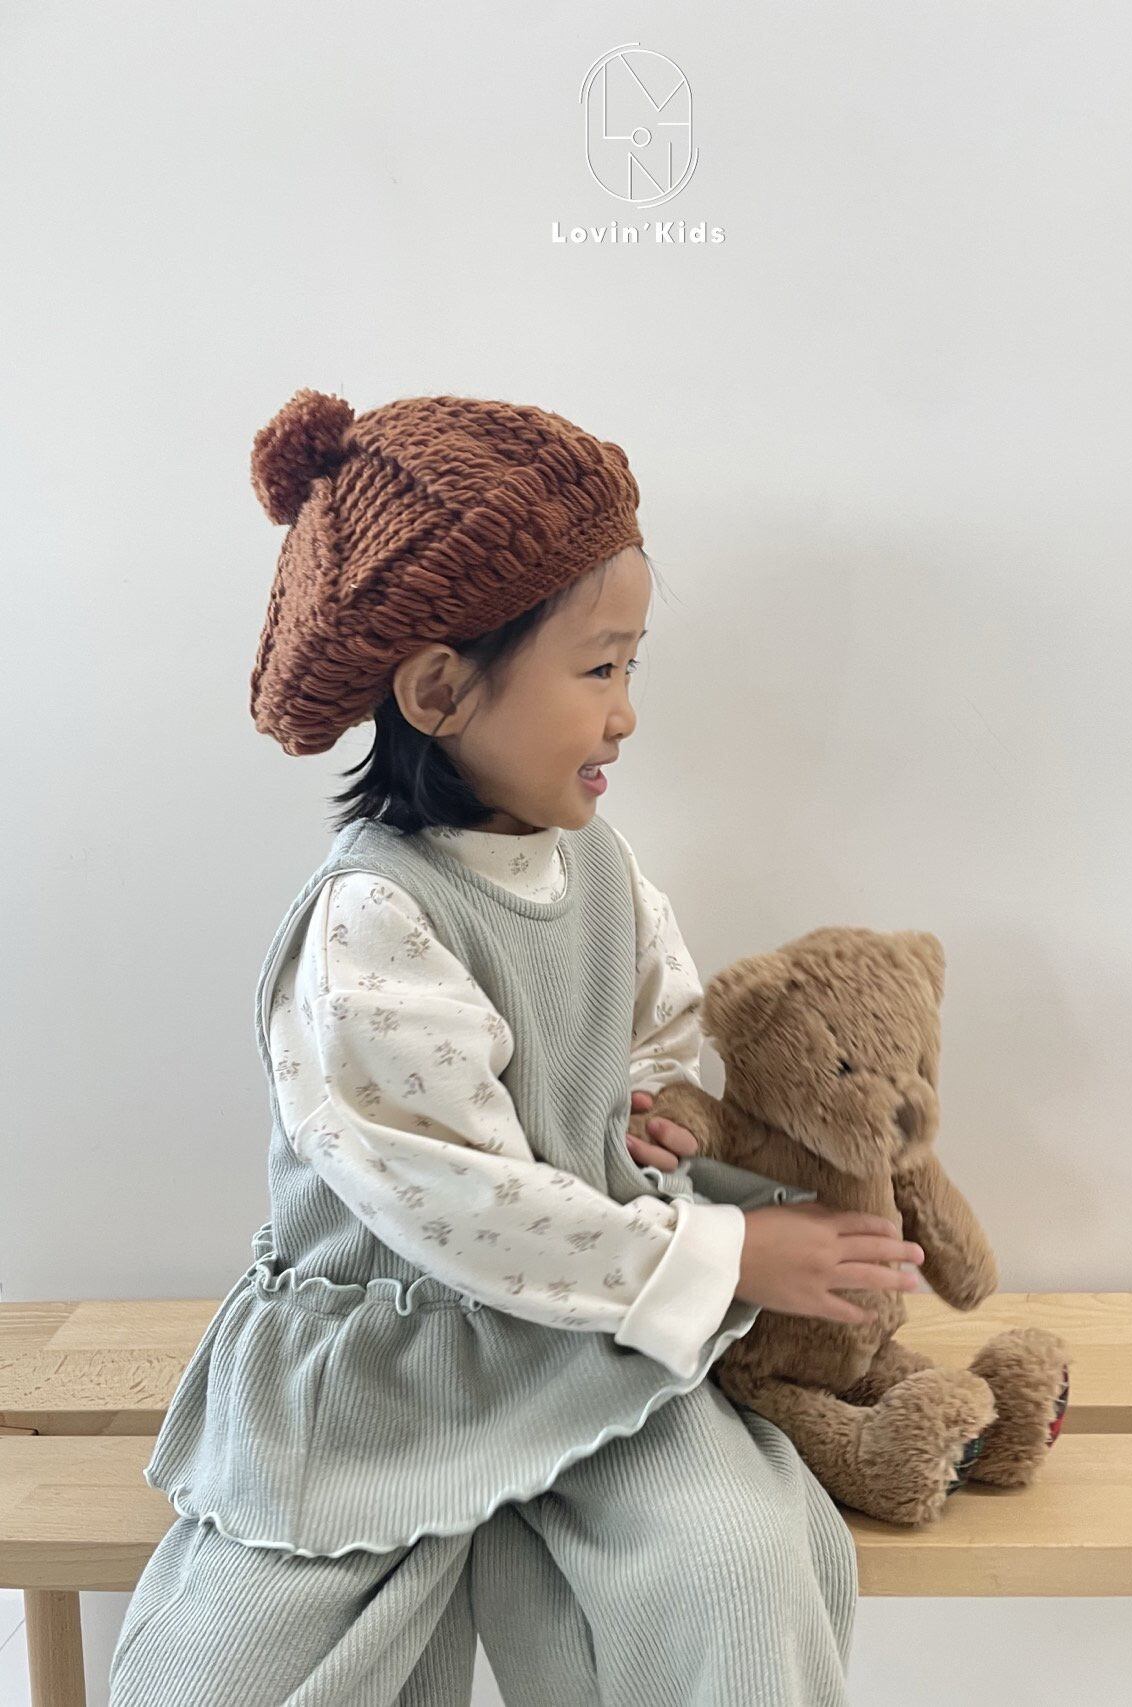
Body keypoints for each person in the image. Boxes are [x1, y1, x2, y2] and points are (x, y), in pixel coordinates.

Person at [108, 388, 926, 1706]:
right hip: (390, 1379)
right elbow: (467, 1206)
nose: (627, 713)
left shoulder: (596, 869)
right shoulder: (372, 922)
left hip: (584, 1345)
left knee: (739, 1565)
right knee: (230, 1674)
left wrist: (666, 1112)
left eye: (632, 668)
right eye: (598, 670)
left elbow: (653, 1029)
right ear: (441, 688)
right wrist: (726, 1254)